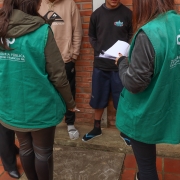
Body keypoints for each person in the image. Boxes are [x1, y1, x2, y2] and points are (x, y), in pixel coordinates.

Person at [0, 0, 76, 180]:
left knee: (25, 147)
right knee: (43, 153)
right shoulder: (41, 31)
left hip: (12, 104)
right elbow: (58, 75)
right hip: (40, 105)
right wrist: (70, 103)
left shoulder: (1, 30)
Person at [115, 0, 180, 179]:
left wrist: (122, 63)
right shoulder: (177, 23)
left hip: (147, 111)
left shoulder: (148, 33)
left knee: (147, 167)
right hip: (171, 104)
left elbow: (135, 83)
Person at [82, 0, 132, 142]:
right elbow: (92, 37)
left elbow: (131, 35)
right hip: (100, 65)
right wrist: (99, 48)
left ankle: (124, 130)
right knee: (97, 98)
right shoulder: (96, 15)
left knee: (122, 101)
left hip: (120, 67)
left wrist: (125, 51)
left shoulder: (127, 14)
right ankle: (96, 128)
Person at [39, 0, 82, 140]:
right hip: (42, 58)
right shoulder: (37, 3)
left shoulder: (70, 4)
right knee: (44, 92)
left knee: (68, 91)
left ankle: (70, 123)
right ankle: (47, 122)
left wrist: (74, 55)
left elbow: (77, 30)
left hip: (65, 58)